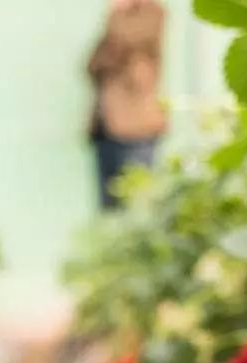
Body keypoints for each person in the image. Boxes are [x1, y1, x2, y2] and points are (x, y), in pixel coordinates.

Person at [87, 0, 166, 209]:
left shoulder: (153, 13)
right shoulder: (117, 23)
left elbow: (127, 38)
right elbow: (92, 65)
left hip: (136, 129)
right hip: (106, 128)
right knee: (108, 208)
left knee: (137, 204)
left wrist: (115, 14)